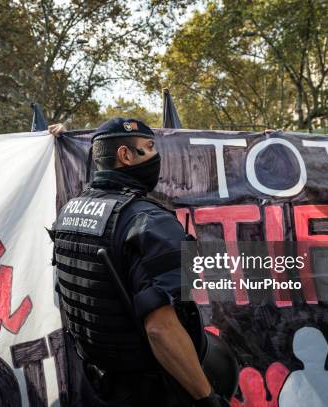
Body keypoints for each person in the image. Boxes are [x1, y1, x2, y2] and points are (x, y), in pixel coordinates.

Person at [49, 117, 222, 406]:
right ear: (126, 155)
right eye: (149, 147)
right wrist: (207, 398)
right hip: (150, 389)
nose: (156, 156)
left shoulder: (69, 212)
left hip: (99, 384)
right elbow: (160, 328)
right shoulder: (150, 220)